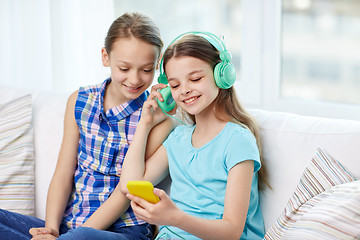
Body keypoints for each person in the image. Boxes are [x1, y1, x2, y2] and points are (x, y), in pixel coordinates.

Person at [0, 12, 173, 240]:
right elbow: (63, 172)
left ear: (157, 64)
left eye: (146, 69)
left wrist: (72, 237)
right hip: (70, 225)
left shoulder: (157, 120)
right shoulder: (80, 101)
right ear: (105, 57)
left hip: (123, 231)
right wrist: (51, 229)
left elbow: (125, 194)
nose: (134, 79)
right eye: (124, 68)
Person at [119, 32, 270, 240]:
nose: (185, 91)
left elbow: (232, 231)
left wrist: (173, 217)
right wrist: (145, 124)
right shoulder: (178, 138)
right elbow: (129, 184)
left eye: (195, 78)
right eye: (175, 85)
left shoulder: (238, 140)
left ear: (222, 75)